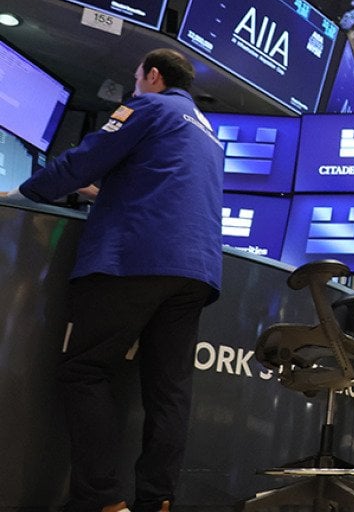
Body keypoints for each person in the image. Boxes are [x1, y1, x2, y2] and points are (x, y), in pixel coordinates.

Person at [11, 49, 223, 512]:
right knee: (168, 392)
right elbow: (158, 186)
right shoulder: (208, 133)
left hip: (134, 259)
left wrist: (24, 193)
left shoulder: (149, 106)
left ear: (152, 75)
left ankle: (100, 501)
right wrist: (99, 192)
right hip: (195, 273)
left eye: (135, 79)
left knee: (86, 369)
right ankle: (157, 501)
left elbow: (85, 158)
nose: (133, 89)